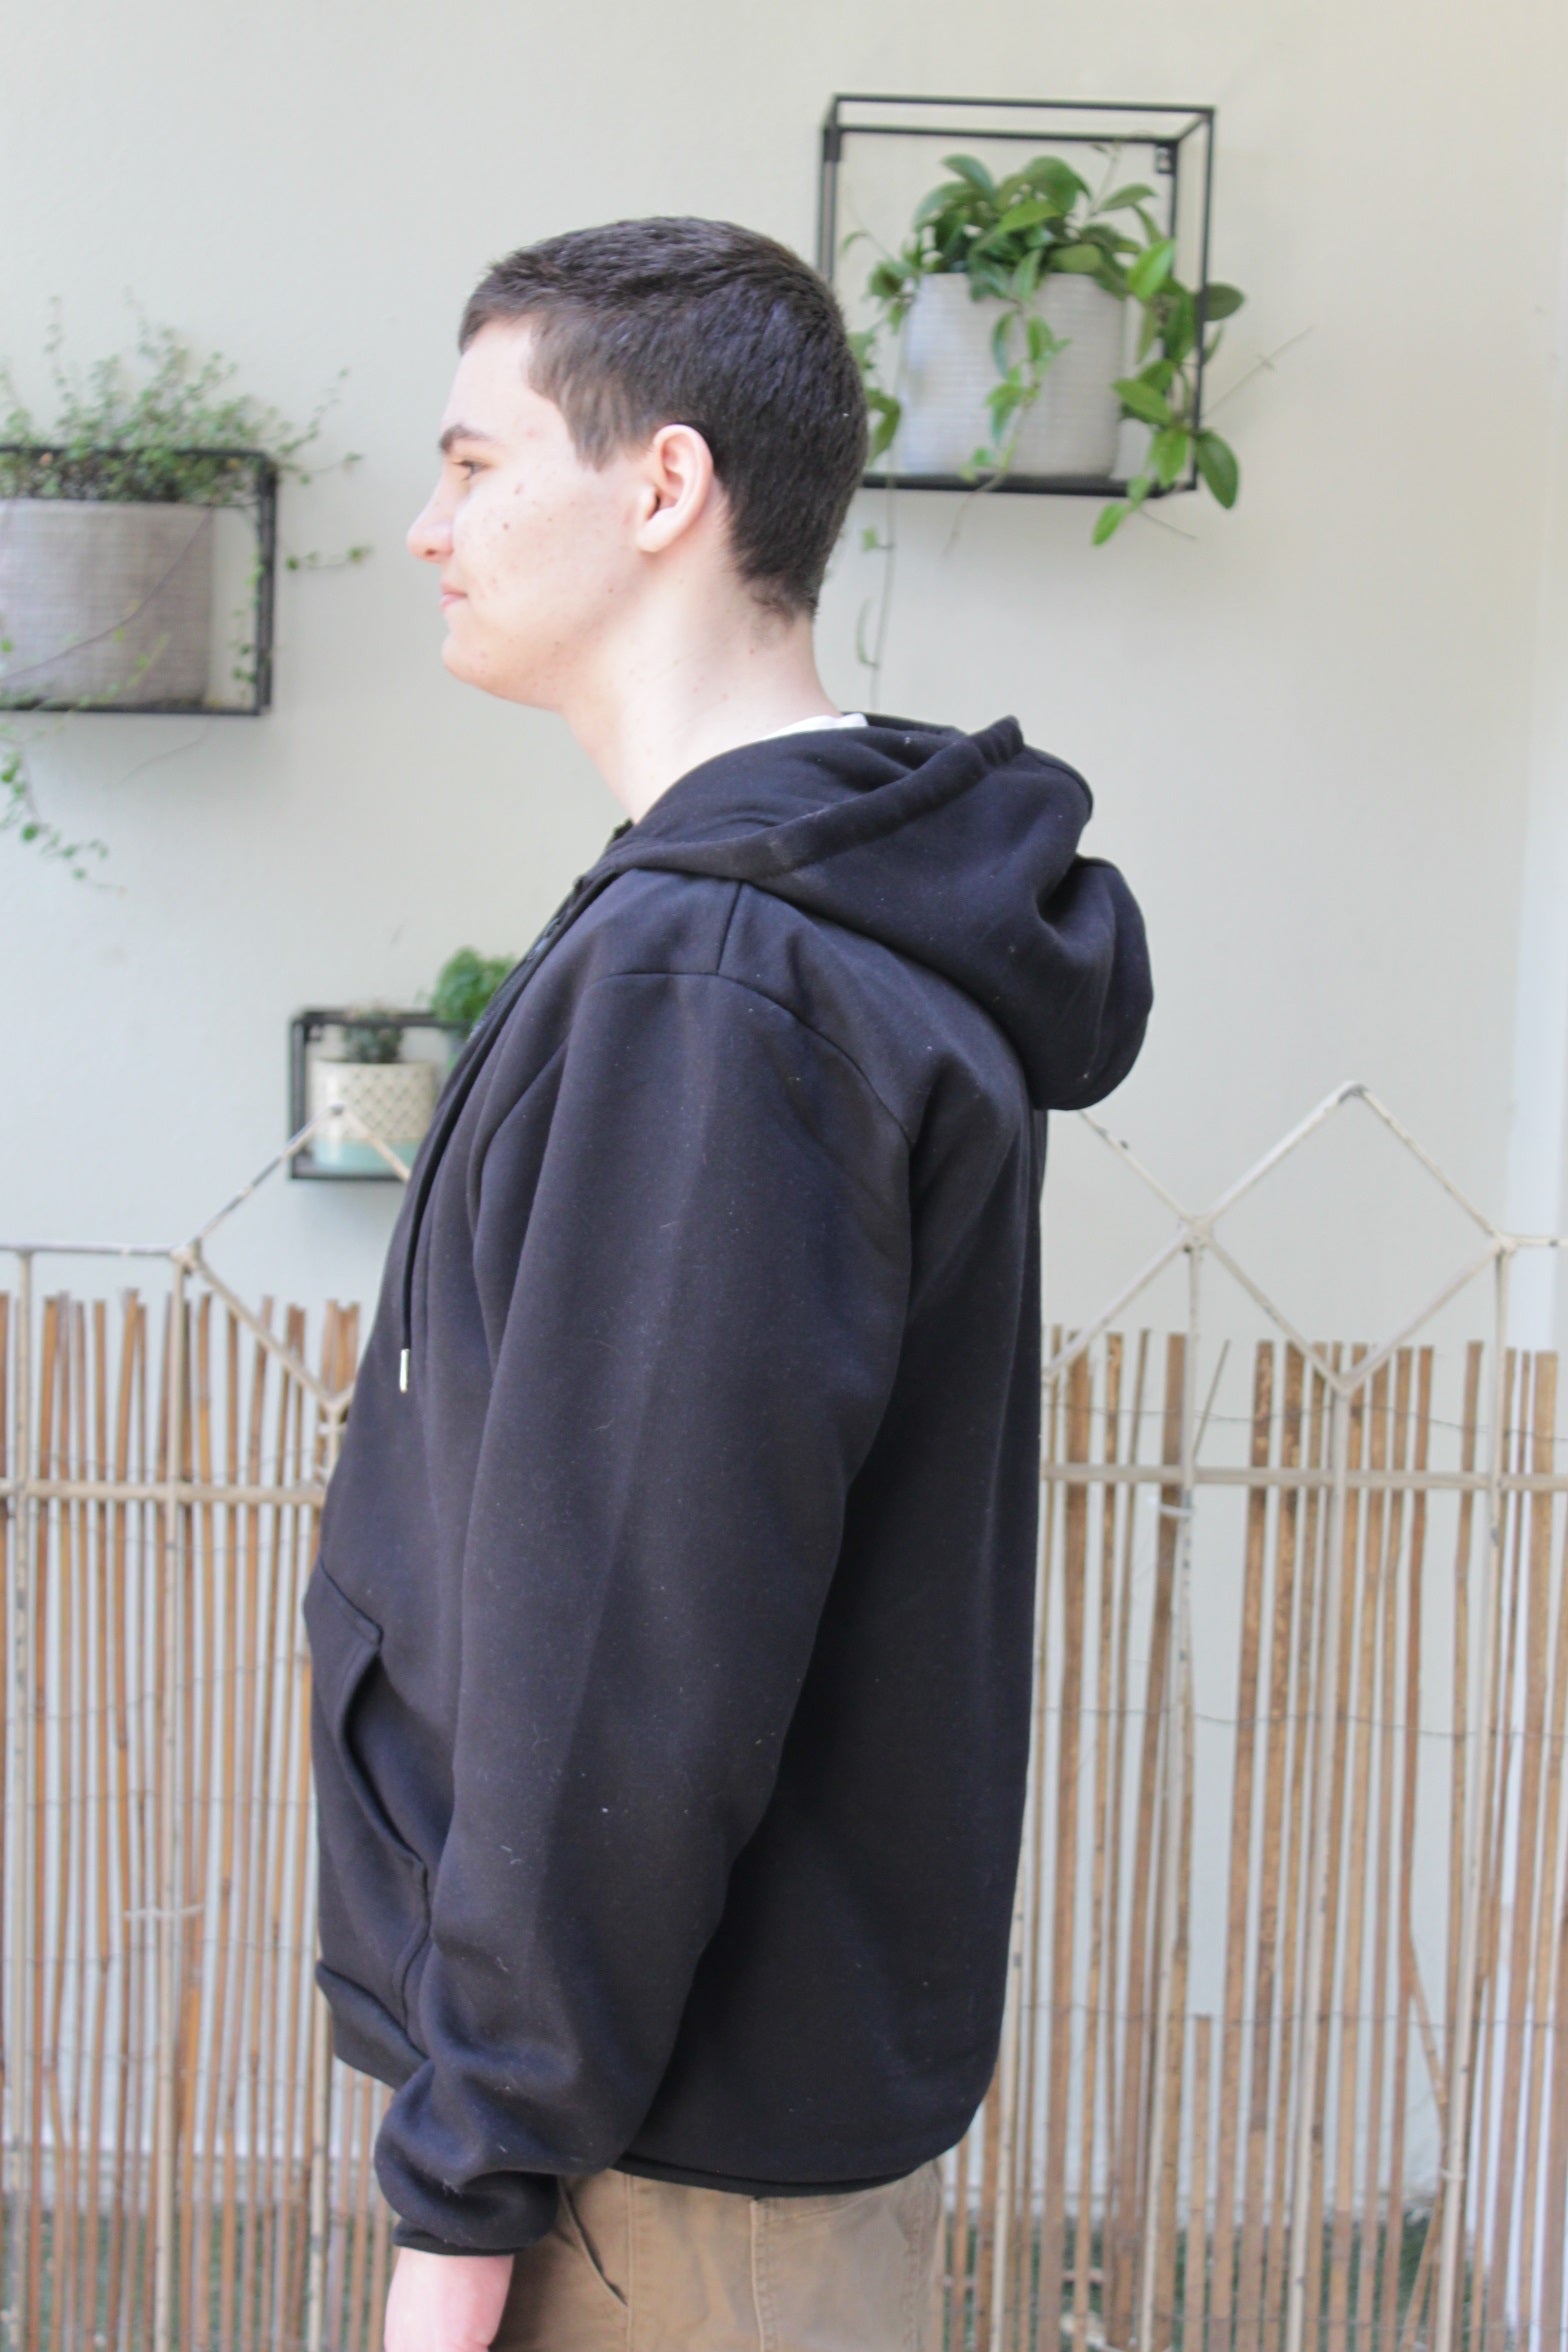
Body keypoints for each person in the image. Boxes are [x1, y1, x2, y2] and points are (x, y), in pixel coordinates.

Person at [301, 214, 1153, 2352]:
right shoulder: (793, 930)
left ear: (663, 484)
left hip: (649, 2189)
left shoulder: (721, 976)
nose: (426, 529)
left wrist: (463, 2201)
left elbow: (630, 1647)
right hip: (684, 2143)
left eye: (475, 464)